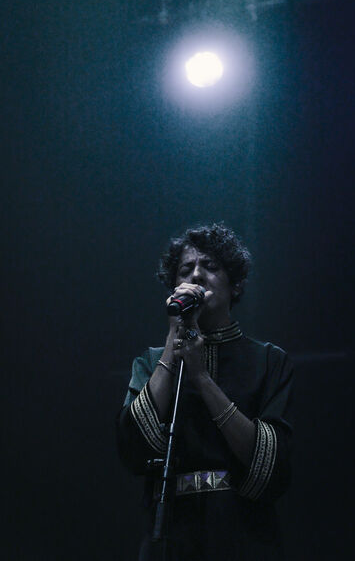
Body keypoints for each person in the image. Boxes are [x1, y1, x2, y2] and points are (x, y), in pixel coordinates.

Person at [117, 223, 293, 560]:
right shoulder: (149, 362)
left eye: (210, 266)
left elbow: (272, 465)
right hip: (170, 532)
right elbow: (132, 446)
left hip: (243, 531)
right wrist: (173, 343)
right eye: (186, 270)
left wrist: (201, 377)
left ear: (235, 283)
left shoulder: (269, 361)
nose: (196, 275)